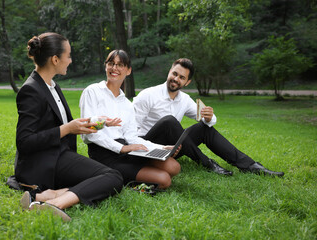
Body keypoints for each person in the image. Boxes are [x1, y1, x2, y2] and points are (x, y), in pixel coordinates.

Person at [15, 32, 123, 222]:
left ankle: (43, 196)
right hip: (43, 162)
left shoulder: (52, 86)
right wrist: (67, 129)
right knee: (112, 176)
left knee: (100, 177)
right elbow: (24, 142)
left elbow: (60, 122)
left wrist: (92, 123)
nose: (70, 60)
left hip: (59, 154)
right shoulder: (31, 90)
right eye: (69, 55)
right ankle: (53, 205)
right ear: (55, 59)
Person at [132, 58, 284, 177]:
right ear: (169, 71)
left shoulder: (184, 99)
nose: (176, 79)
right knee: (169, 121)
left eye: (182, 77)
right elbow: (130, 132)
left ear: (187, 82)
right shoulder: (148, 95)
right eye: (174, 74)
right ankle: (208, 164)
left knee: (204, 127)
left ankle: (250, 166)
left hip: (173, 149)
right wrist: (154, 148)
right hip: (147, 149)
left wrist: (209, 117)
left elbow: (208, 121)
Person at [79, 49, 181, 189]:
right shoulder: (92, 91)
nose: (114, 68)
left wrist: (161, 148)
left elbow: (131, 137)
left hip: (127, 150)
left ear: (128, 70)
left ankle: (133, 172)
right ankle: (123, 181)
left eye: (120, 65)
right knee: (164, 180)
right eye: (111, 63)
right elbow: (88, 135)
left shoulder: (127, 104)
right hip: (103, 154)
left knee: (174, 167)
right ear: (106, 66)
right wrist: (122, 148)